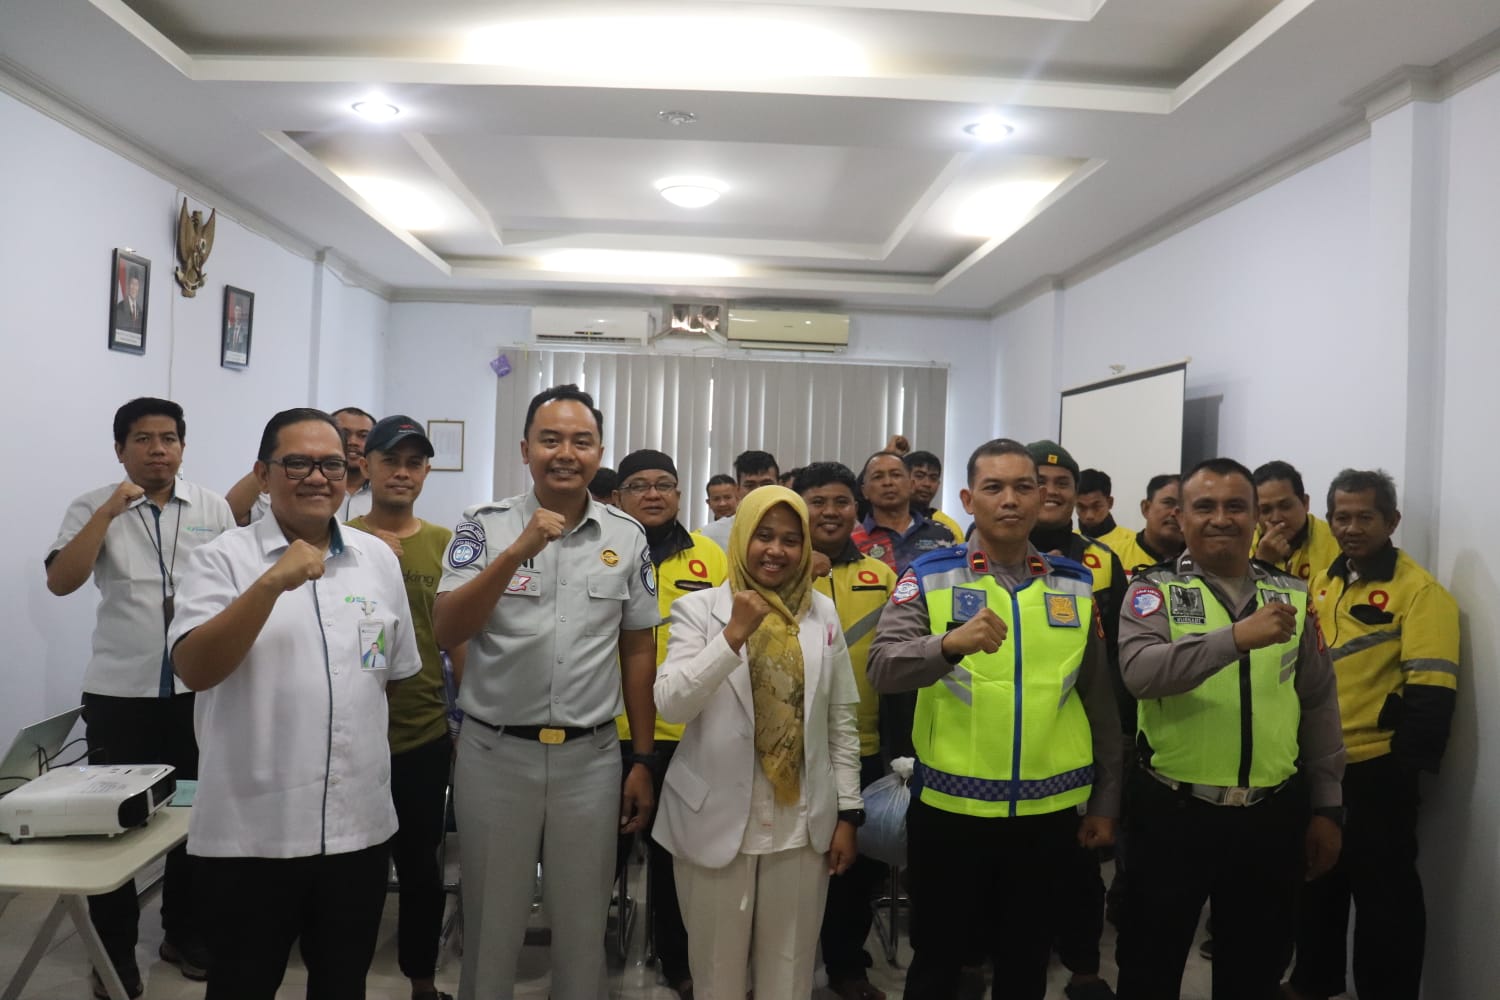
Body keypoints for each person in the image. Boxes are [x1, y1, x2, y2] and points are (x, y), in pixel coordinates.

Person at [169, 408, 421, 999]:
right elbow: (195, 669)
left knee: (342, 985)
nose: (316, 477)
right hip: (254, 834)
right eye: (297, 463)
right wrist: (271, 583)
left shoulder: (377, 560)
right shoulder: (220, 559)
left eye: (332, 465)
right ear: (263, 474)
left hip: (357, 829)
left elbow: (389, 675)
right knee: (243, 985)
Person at [868, 438, 1122, 1000]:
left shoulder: (1074, 582)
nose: (1011, 499)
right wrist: (947, 645)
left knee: (1026, 961)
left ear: (1041, 497)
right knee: (938, 961)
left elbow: (1099, 701)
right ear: (968, 499)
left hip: (1047, 813)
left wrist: (1106, 801)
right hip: (951, 810)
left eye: (1023, 487)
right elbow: (882, 667)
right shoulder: (929, 575)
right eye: (994, 487)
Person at [432, 384, 660, 1000]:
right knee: (490, 923)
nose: (565, 453)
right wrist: (517, 553)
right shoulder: (484, 527)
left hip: (591, 759)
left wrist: (642, 758)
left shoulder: (627, 536)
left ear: (599, 452)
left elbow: (638, 650)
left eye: (581, 441)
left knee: (584, 927)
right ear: (525, 448)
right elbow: (447, 628)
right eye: (550, 439)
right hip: (495, 754)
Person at [1114, 458, 1345, 1000]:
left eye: (1236, 506)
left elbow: (1318, 702)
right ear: (1181, 516)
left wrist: (1328, 806)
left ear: (1257, 516)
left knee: (1255, 972)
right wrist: (1236, 638)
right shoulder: (1152, 590)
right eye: (1205, 506)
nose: (1221, 518)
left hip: (1270, 816)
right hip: (1172, 814)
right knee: (1148, 966)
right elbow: (1141, 674)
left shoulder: (1290, 593)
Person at [45, 397, 235, 997]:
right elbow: (61, 581)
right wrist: (109, 512)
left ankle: (185, 933)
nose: (158, 450)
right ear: (120, 448)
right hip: (120, 694)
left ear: (182, 446)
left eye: (168, 438)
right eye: (144, 439)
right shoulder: (92, 506)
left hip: (195, 691)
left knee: (193, 816)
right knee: (116, 823)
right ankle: (114, 955)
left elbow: (235, 583)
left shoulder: (211, 508)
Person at [652, 486, 863, 1000]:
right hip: (713, 818)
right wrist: (732, 635)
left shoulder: (822, 614)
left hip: (800, 824)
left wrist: (848, 812)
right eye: (763, 535)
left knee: (789, 975)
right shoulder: (699, 609)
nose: (776, 550)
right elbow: (672, 704)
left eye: (791, 540)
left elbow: (840, 722)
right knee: (716, 975)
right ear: (741, 536)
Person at [1285, 469, 1458, 1000]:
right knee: (1317, 881)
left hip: (1377, 769)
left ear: (1391, 521)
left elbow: (1432, 690)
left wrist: (1403, 772)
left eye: (1365, 517)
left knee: (1385, 900)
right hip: (1318, 765)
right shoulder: (1324, 581)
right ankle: (1313, 983)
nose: (1352, 527)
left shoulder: (1420, 591)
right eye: (1342, 517)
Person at [347, 415, 468, 1000]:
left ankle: (422, 980)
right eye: (390, 460)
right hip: (351, 733)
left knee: (421, 866)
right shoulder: (338, 536)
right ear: (365, 466)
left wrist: (468, 717)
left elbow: (458, 636)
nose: (402, 472)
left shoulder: (446, 543)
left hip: (422, 731)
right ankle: (345, 980)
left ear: (425, 472)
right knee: (355, 872)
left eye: (414, 463)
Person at [610, 448, 729, 1000]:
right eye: (639, 485)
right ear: (618, 497)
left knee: (678, 859)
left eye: (664, 484)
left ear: (680, 495)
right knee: (601, 854)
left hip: (689, 731)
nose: (653, 494)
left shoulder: (710, 556)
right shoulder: (603, 550)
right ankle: (586, 956)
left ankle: (679, 962)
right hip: (610, 726)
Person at [1026, 440, 1130, 1000]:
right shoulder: (980, 553)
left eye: (1061, 482)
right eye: (1037, 481)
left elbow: (1113, 657)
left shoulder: (1101, 561)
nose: (1050, 491)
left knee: (1080, 864)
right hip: (1007, 734)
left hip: (1079, 730)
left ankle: (1084, 966)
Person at [795, 462, 897, 1000]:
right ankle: (782, 966)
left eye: (840, 501)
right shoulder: (771, 568)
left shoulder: (882, 577)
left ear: (857, 508)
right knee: (790, 862)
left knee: (856, 867)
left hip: (864, 743)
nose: (830, 512)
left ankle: (846, 966)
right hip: (789, 746)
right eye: (817, 502)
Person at [851, 450, 957, 576]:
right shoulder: (853, 541)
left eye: (896, 475)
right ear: (864, 491)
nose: (888, 482)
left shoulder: (941, 533)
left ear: (911, 485)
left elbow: (953, 580)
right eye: (878, 477)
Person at [1250, 461, 1340, 583]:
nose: (1276, 518)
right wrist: (1262, 562)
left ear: (1305, 503)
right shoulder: (1243, 543)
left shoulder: (1337, 541)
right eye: (1265, 510)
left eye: (1285, 506)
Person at [699, 450, 780, 551]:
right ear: (738, 490)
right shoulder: (711, 535)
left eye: (766, 484)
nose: (758, 491)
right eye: (750, 485)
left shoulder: (794, 529)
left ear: (780, 486)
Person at [1111, 474, 1185, 574]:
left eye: (1184, 506)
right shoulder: (1111, 556)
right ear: (1145, 508)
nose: (1175, 512)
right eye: (1168, 503)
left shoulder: (1202, 562)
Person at [903, 450, 963, 541]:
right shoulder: (885, 520)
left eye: (933, 478)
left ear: (938, 484)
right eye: (919, 476)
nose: (927, 484)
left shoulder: (948, 527)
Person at [1076, 469, 1135, 555]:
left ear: (1110, 502)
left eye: (1096, 506)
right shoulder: (1067, 541)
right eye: (1081, 507)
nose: (1089, 515)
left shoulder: (1133, 541)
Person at [332, 406, 377, 520]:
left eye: (363, 436)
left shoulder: (384, 491)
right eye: (344, 434)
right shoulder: (313, 486)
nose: (353, 442)